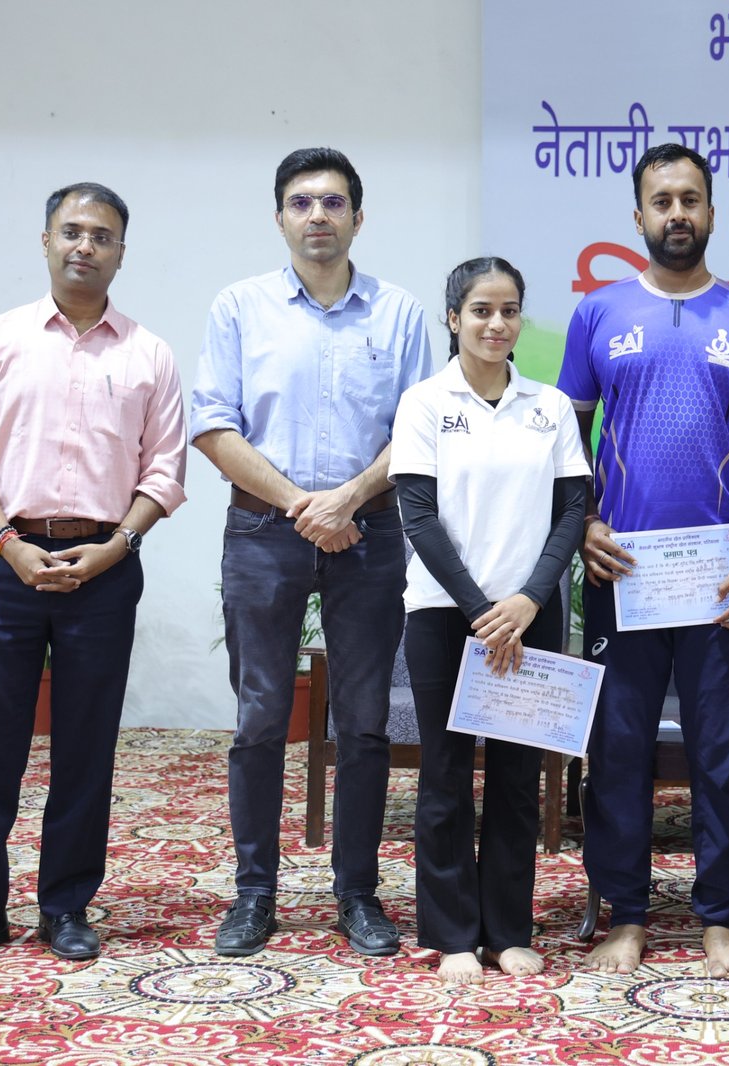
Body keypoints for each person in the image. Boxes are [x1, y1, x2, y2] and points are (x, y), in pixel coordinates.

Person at [0, 183, 187, 964]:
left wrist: (116, 546)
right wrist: (7, 541)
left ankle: (66, 907)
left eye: (102, 235)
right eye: (71, 231)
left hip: (105, 566)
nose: (84, 246)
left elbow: (164, 471)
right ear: (45, 241)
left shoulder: (149, 354)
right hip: (7, 562)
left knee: (85, 744)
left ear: (121, 253)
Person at [191, 147, 434, 958]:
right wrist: (305, 505)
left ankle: (357, 894)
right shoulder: (239, 306)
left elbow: (419, 430)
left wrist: (348, 499)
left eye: (333, 202)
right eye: (301, 203)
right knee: (261, 718)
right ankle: (254, 894)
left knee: (363, 722)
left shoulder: (399, 313)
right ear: (279, 218)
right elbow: (212, 425)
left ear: (358, 218)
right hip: (265, 532)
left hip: (370, 532)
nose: (317, 215)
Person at [558, 143, 729, 978]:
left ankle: (720, 916)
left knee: (724, 751)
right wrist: (582, 525)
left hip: (722, 578)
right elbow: (565, 440)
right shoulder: (598, 312)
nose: (676, 213)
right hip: (624, 574)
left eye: (690, 199)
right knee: (617, 749)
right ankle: (627, 914)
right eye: (662, 200)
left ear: (711, 212)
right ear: (638, 216)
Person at [390, 257, 590, 984]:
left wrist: (530, 599)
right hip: (447, 615)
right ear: (454, 319)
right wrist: (480, 610)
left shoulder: (550, 406)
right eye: (480, 310)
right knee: (445, 775)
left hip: (528, 614)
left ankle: (507, 930)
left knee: (515, 776)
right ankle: (451, 934)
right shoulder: (423, 403)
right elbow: (418, 516)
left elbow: (572, 510)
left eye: (508, 310)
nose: (496, 324)